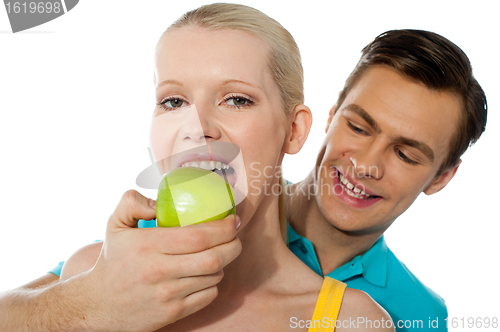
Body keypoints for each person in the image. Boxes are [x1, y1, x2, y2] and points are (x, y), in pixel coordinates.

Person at [1, 3, 393, 332]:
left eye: (237, 99)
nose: (197, 128)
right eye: (173, 102)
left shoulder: (350, 321)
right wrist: (90, 307)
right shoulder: (87, 276)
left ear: (293, 130)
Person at [285, 29, 487, 332]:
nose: (366, 165)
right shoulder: (230, 208)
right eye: (358, 127)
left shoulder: (421, 318)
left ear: (441, 178)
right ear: (332, 115)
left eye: (405, 155)